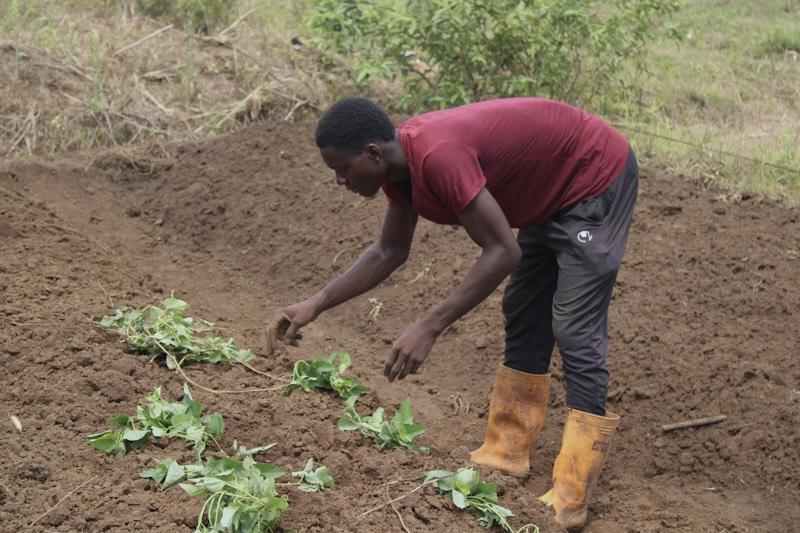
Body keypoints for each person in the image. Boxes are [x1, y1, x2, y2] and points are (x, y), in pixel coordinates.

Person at [269, 96, 639, 529]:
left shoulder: (439, 156)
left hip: (592, 176)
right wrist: (315, 303)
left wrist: (430, 325)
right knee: (523, 306)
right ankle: (507, 450)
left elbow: (502, 252)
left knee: (575, 328)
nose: (339, 180)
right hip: (550, 189)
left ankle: (572, 490)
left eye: (340, 168)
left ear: (372, 153)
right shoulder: (398, 170)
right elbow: (389, 250)